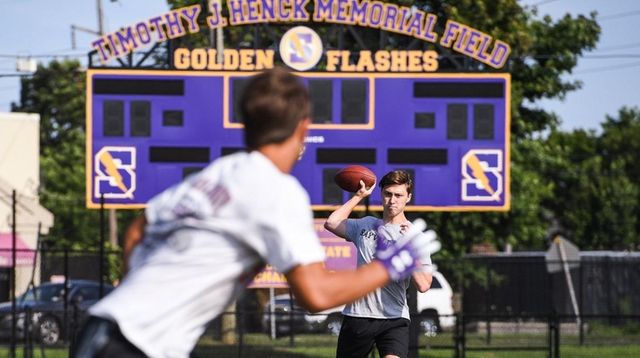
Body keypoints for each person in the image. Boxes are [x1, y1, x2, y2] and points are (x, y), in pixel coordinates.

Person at [72, 67, 433, 358]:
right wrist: (388, 267)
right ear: (302, 128)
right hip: (136, 344)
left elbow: (138, 229)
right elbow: (316, 295)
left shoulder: (218, 172)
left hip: (104, 325)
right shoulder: (278, 191)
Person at [324, 170, 434, 358]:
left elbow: (424, 285)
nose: (392, 200)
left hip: (394, 318)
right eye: (388, 194)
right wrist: (358, 196)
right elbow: (331, 223)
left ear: (408, 197)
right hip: (358, 315)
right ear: (381, 194)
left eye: (398, 195)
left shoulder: (415, 236)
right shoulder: (365, 225)